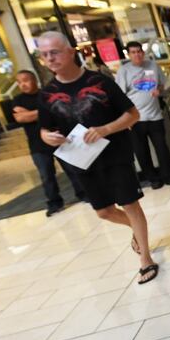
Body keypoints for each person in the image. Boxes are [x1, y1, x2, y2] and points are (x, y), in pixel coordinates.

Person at [36, 31, 158, 285]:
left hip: (115, 155)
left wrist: (105, 129)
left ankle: (145, 257)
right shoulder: (46, 95)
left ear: (71, 52)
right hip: (80, 160)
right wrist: (48, 137)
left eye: (55, 52)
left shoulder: (100, 81)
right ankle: (136, 233)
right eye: (44, 54)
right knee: (103, 212)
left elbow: (132, 115)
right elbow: (45, 130)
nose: (50, 58)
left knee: (130, 204)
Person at [12, 69, 87, 216]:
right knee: (46, 176)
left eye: (26, 80)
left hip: (57, 138)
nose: (23, 84)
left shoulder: (46, 94)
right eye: (19, 82)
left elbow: (56, 110)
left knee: (72, 169)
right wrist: (42, 111)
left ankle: (84, 194)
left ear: (34, 80)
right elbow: (20, 118)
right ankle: (54, 203)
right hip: (37, 146)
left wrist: (30, 113)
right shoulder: (17, 100)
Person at [116, 41, 170, 189]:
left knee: (162, 147)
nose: (137, 54)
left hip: (155, 115)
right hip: (135, 119)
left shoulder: (152, 65)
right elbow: (119, 96)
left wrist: (159, 90)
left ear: (143, 52)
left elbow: (163, 84)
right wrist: (126, 119)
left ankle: (169, 176)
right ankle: (153, 178)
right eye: (133, 52)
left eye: (139, 51)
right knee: (141, 151)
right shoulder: (124, 71)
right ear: (128, 54)